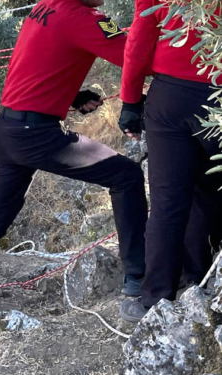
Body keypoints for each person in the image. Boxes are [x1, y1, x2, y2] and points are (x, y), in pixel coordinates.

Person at [0, 0, 149, 315]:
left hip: (8, 127)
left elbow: (36, 61)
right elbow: (138, 58)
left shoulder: (45, 7)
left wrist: (71, 95)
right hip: (35, 134)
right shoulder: (83, 18)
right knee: (126, 176)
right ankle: (138, 279)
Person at [118, 0, 222, 322]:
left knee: (167, 202)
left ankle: (154, 299)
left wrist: (130, 101)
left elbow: (139, 39)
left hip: (169, 98)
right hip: (216, 94)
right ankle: (201, 279)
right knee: (207, 191)